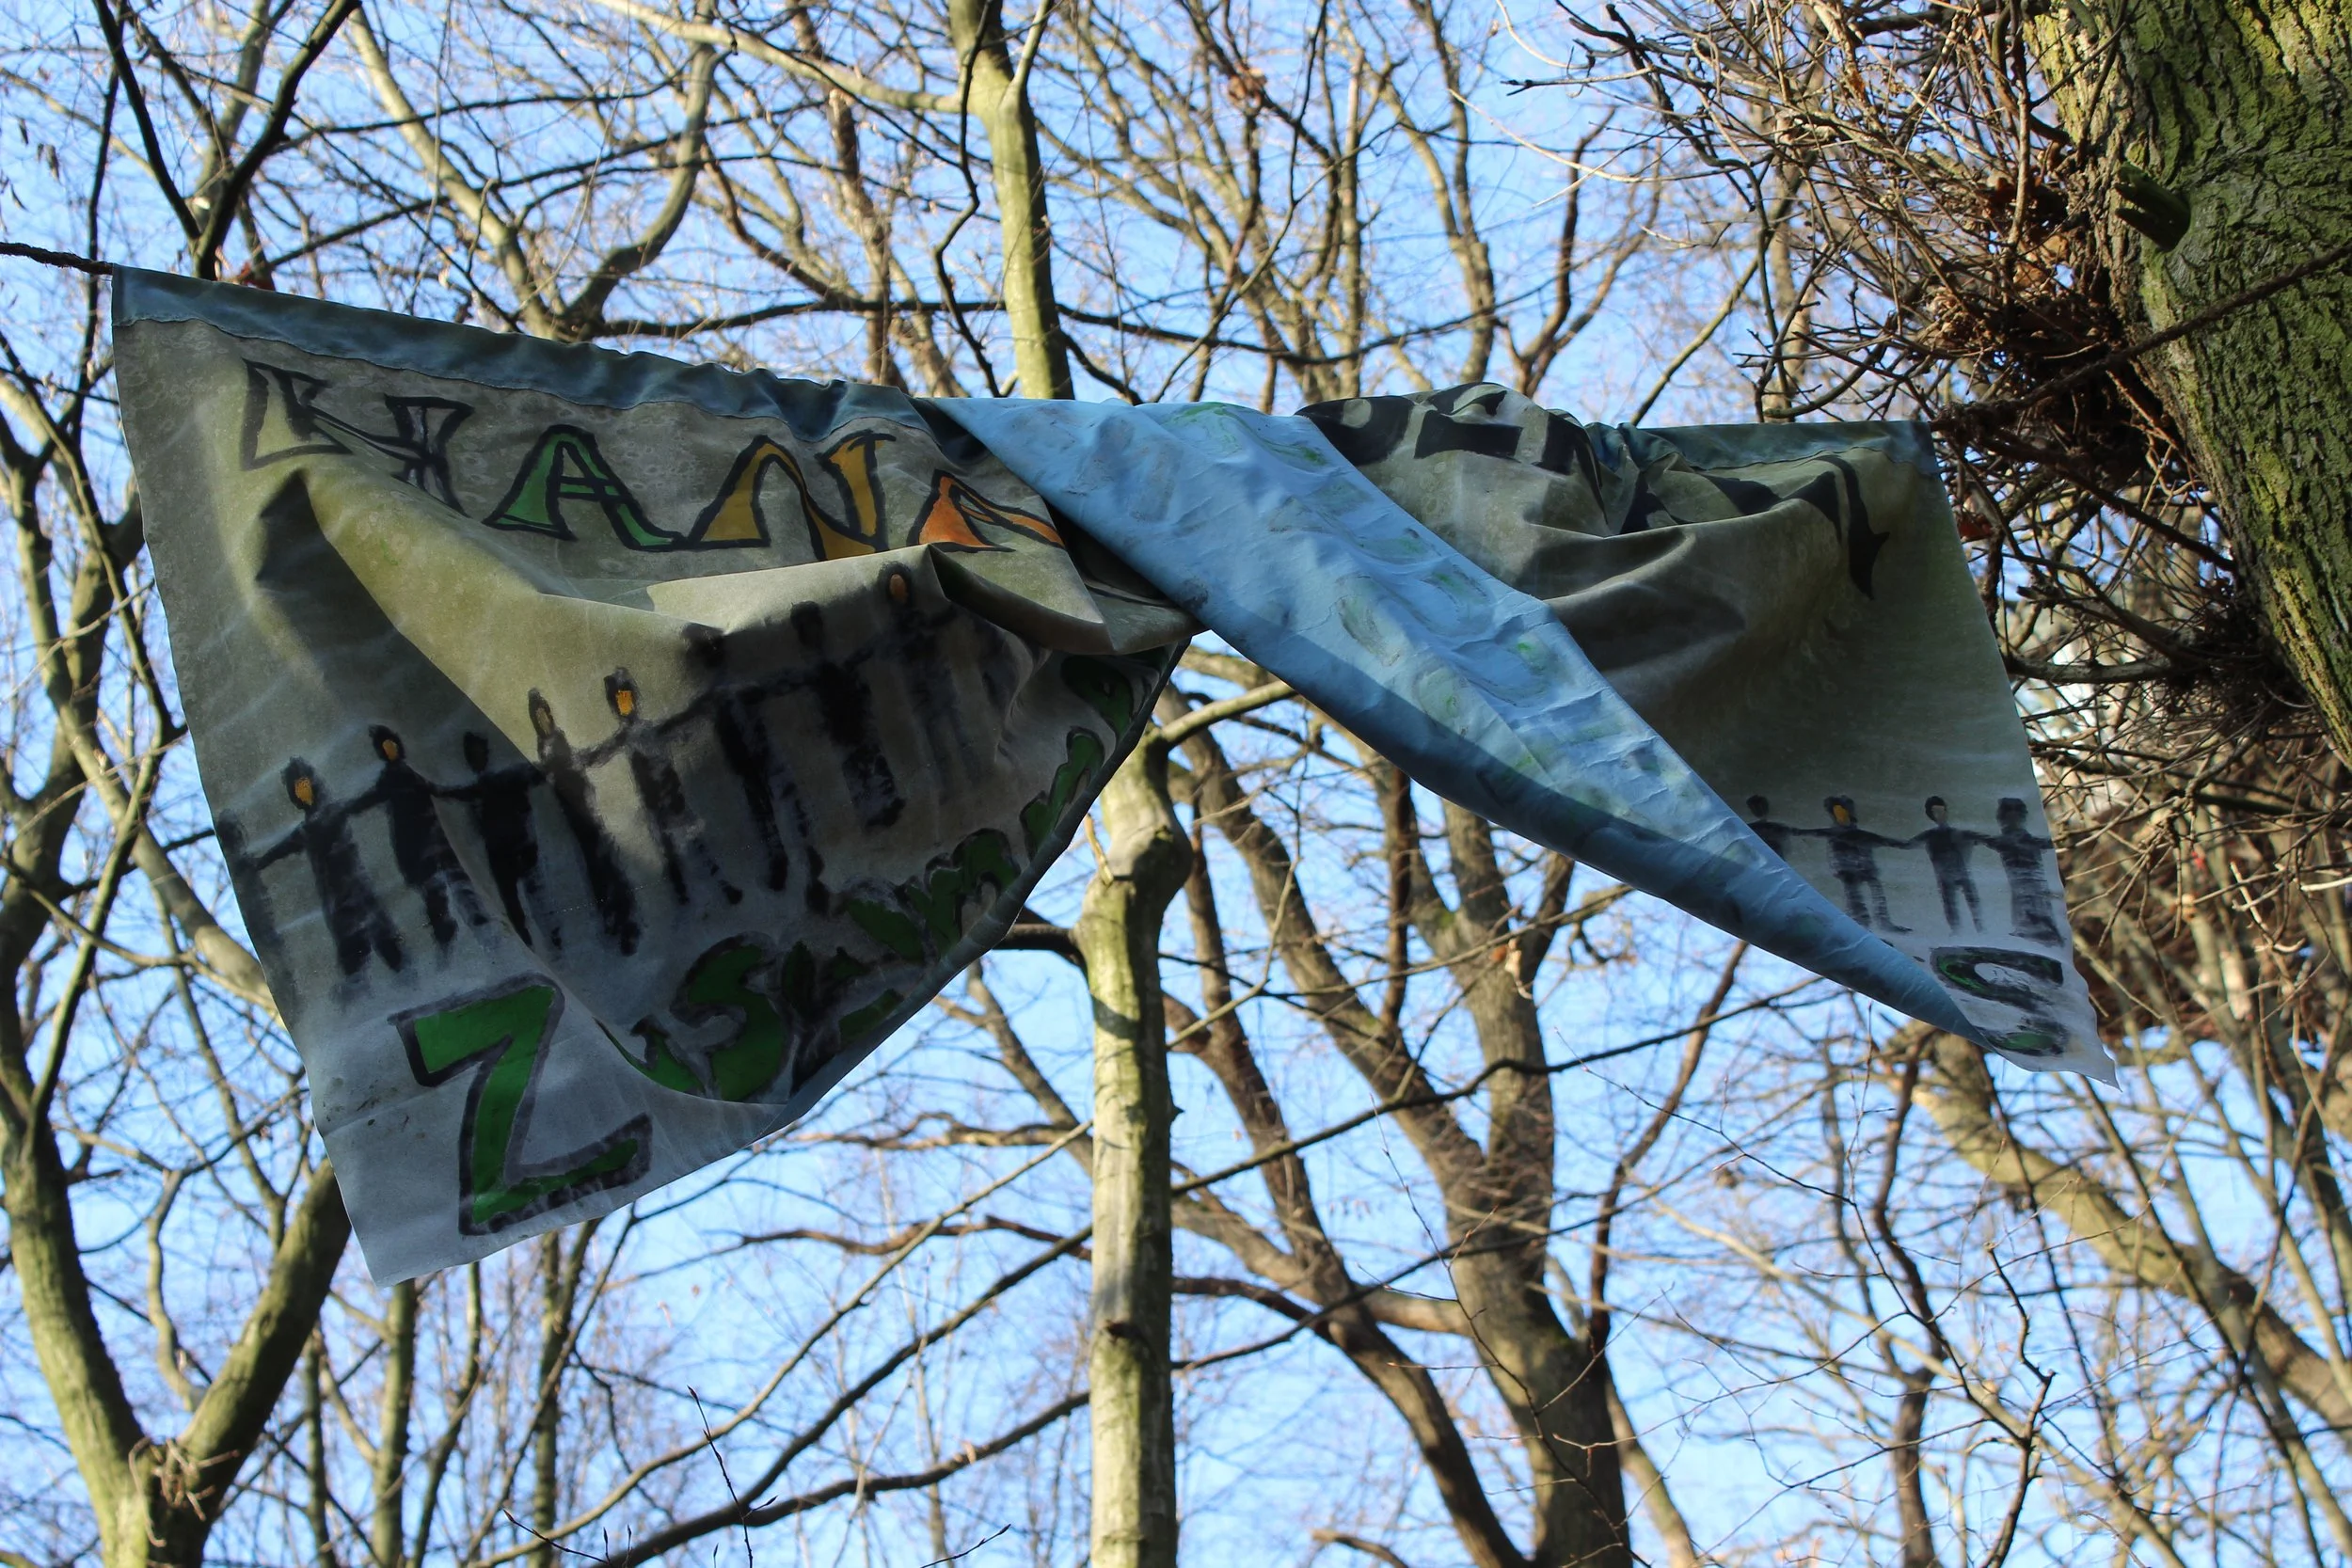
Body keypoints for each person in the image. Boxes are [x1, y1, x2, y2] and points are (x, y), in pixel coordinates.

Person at [249, 759, 405, 975]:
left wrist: (387, 789)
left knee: (386, 944)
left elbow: (361, 802)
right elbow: (280, 849)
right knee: (354, 959)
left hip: (358, 891)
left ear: (313, 783)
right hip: (337, 902)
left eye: (304, 783)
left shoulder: (332, 812)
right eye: (298, 788)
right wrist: (256, 864)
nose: (303, 790)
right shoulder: (305, 830)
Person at [528, 689, 639, 954]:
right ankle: (617, 922)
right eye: (538, 717)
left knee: (609, 873)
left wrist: (616, 740)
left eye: (544, 714)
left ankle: (623, 922)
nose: (543, 720)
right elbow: (561, 762)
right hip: (584, 828)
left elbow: (587, 757)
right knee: (603, 874)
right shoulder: (550, 754)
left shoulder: (561, 749)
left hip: (592, 823)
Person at [1912, 796, 1983, 931]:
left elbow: (1986, 840)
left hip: (1962, 873)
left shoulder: (1959, 833)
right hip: (1945, 877)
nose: (1940, 815)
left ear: (1946, 811)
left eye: (1941, 811)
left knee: (1973, 904)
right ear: (1931, 815)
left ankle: (1980, 929)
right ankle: (1957, 933)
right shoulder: (1929, 835)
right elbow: (1906, 845)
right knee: (1951, 906)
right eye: (1935, 812)